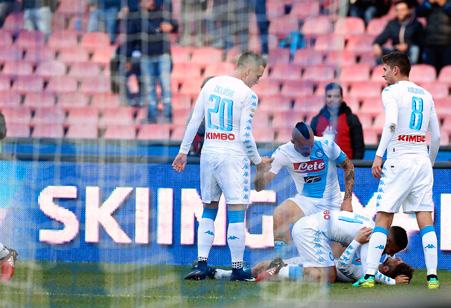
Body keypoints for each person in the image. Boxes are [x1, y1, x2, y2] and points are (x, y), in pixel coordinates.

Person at [172, 51, 272, 281]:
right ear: (247, 69)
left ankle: (201, 264)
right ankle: (237, 267)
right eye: (257, 76)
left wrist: (183, 152)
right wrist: (258, 162)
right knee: (237, 210)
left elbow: (195, 119)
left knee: (209, 208)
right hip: (232, 157)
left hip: (209, 153)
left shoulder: (211, 83)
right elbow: (246, 136)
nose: (257, 81)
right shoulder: (248, 95)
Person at [353, 51, 441, 289]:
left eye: (384, 70)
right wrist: (428, 163)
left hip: (399, 156)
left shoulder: (391, 92)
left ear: (395, 70)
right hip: (421, 159)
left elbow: (391, 124)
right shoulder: (426, 94)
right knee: (425, 218)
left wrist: (378, 155)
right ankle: (432, 276)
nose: (382, 74)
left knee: (384, 216)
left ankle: (369, 275)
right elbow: (437, 137)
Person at [254, 122, 355, 256]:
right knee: (280, 214)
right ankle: (282, 263)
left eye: (311, 145)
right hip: (306, 202)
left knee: (335, 263)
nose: (309, 150)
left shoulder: (326, 145)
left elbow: (349, 166)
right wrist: (259, 171)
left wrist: (347, 200)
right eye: (304, 147)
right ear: (293, 142)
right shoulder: (284, 152)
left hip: (333, 204)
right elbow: (259, 188)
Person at [213, 226, 413, 285]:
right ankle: (222, 274)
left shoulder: (371, 270)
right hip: (320, 255)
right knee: (263, 265)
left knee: (275, 267)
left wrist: (393, 281)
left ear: (387, 269)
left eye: (395, 257)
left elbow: (344, 263)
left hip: (322, 265)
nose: (393, 255)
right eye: (395, 252)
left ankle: (279, 272)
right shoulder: (377, 250)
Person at [126, 0, 177, 123]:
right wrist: (128, 58)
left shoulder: (162, 13)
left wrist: (172, 26)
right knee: (149, 88)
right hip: (146, 56)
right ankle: (152, 116)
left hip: (163, 55)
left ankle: (168, 115)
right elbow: (130, 39)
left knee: (165, 86)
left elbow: (175, 24)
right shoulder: (137, 17)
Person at [311, 83, 365, 159]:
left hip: (345, 168)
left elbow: (359, 149)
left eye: (336, 96)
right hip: (323, 168)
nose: (332, 99)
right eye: (329, 96)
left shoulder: (352, 119)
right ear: (325, 98)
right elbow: (311, 147)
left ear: (342, 98)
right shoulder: (316, 121)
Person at [373, 0, 424, 64]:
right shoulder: (392, 24)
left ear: (408, 10)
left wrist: (408, 45)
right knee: (381, 51)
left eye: (402, 10)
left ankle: (411, 68)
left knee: (415, 49)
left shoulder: (416, 24)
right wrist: (376, 44)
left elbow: (421, 41)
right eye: (397, 10)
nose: (400, 12)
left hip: (409, 51)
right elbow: (383, 36)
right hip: (396, 51)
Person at [416, 0, 451, 73]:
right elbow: (418, 13)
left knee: (447, 71)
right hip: (430, 43)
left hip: (447, 43)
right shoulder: (428, 2)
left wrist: (444, 4)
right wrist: (429, 3)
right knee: (430, 70)